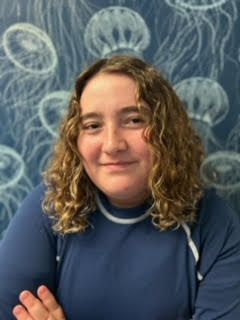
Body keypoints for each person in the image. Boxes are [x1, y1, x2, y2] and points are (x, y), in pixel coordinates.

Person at [0, 55, 240, 320]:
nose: (112, 144)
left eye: (134, 120)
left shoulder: (216, 227)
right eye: (92, 126)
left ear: (167, 131)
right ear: (75, 140)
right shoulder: (50, 207)